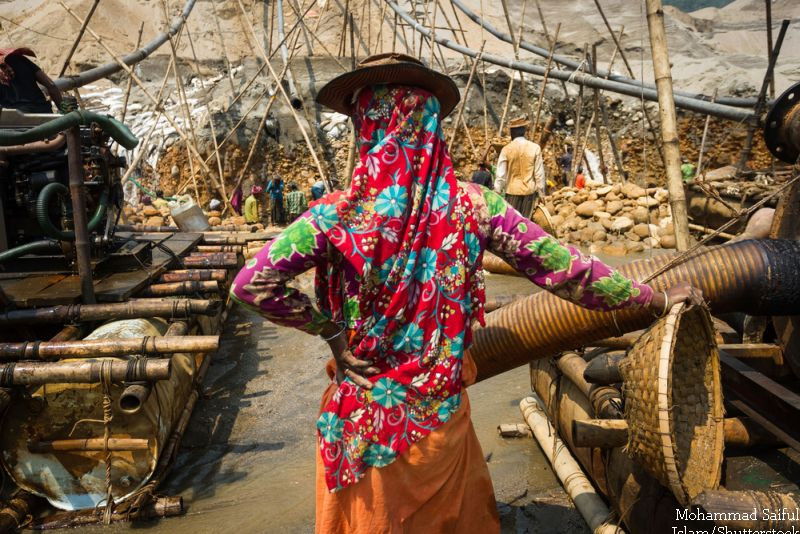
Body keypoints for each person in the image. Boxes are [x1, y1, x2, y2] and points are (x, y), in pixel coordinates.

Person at [230, 53, 701, 534]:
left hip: (363, 426)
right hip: (438, 424)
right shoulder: (473, 207)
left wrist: (331, 333)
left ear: (368, 128)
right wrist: (652, 300)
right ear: (430, 125)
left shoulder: (332, 216)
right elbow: (568, 271)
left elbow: (250, 285)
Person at [494, 117, 546, 217]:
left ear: (512, 132)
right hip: (529, 194)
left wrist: (497, 191)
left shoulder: (506, 149)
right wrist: (541, 193)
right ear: (524, 131)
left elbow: (501, 175)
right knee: (526, 223)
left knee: (512, 223)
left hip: (512, 193)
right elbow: (539, 174)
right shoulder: (535, 148)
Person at [0, 48, 61, 113]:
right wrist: (64, 113)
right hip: (43, 112)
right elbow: (51, 85)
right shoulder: (19, 58)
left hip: (14, 118)